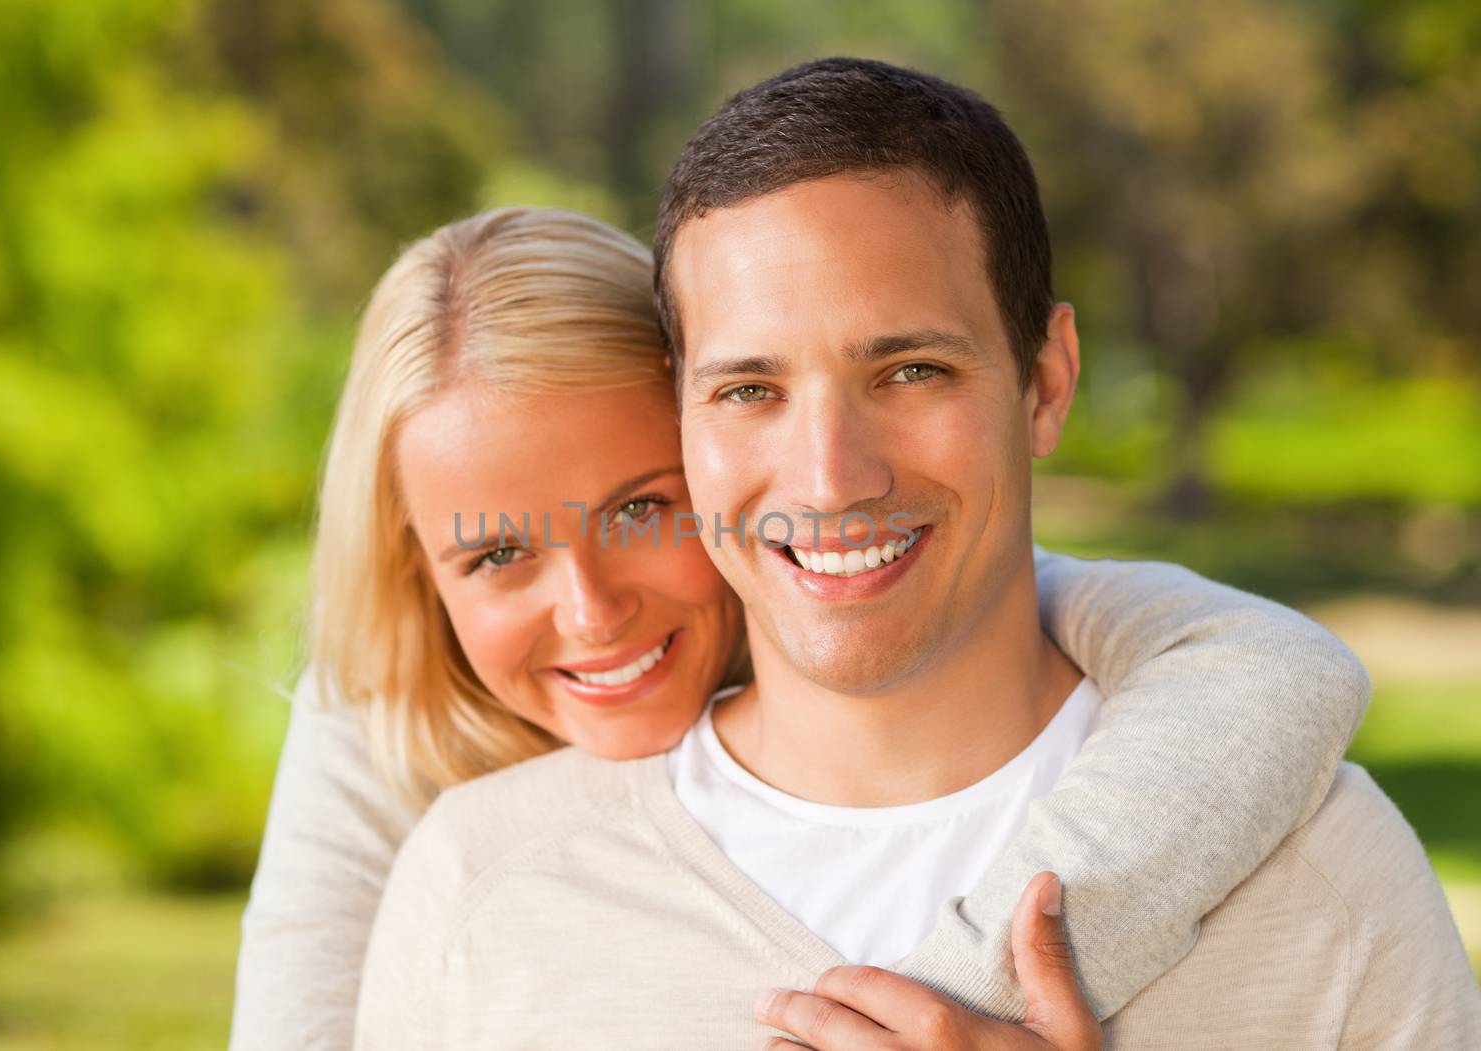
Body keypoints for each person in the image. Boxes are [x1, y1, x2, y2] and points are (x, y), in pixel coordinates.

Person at [352, 60, 1481, 1049]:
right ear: (685, 422)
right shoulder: (482, 888)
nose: (831, 476)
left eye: (910, 373)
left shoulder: (1320, 877)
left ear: (1045, 381)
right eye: (750, 389)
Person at [227, 208, 1364, 1049]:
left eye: (640, 508)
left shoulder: (881, 592)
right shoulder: (386, 735)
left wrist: (961, 997)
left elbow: (1270, 667)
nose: (588, 611)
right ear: (417, 575)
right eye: (493, 553)